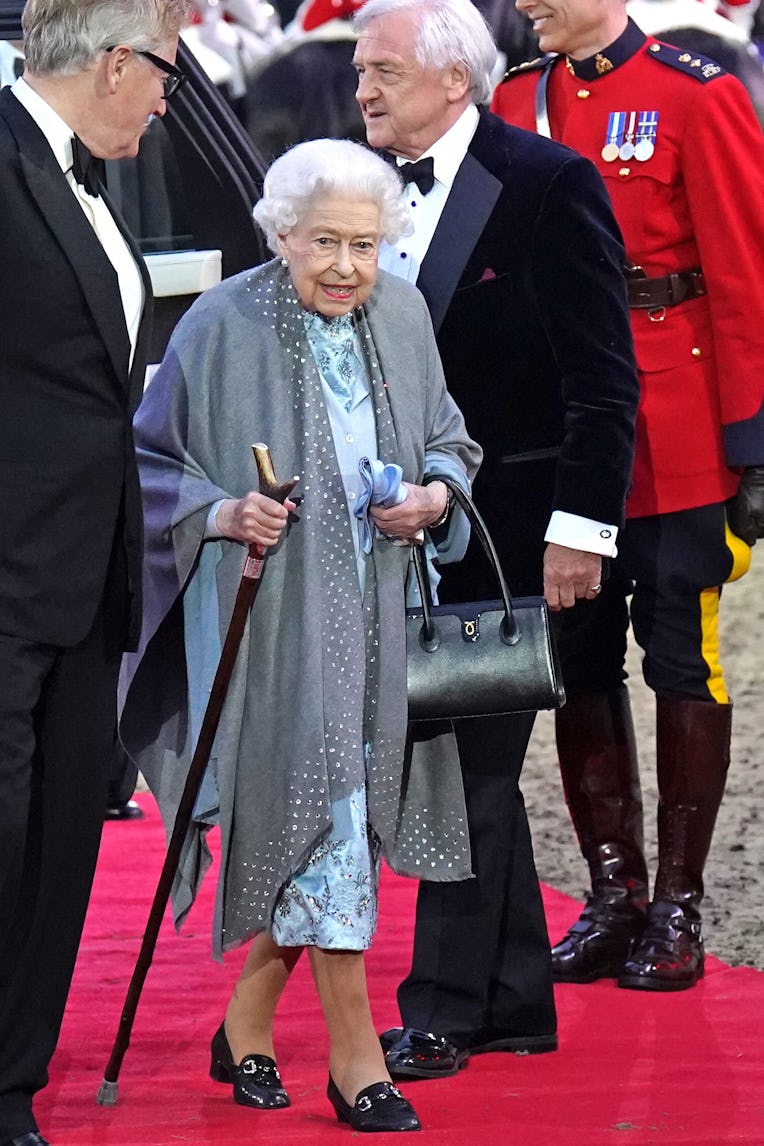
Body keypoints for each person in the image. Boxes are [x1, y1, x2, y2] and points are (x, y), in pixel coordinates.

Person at [118, 137, 482, 1133]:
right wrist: (225, 511)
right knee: (322, 814)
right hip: (270, 622)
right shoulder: (219, 323)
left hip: (379, 619)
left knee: (342, 818)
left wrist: (433, 495)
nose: (344, 268)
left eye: (364, 246)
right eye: (323, 242)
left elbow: (449, 433)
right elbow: (146, 464)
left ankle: (244, 1027)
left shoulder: (401, 313)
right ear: (279, 236)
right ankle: (356, 1060)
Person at [351, 0, 638, 1079]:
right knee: (462, 761)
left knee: (457, 768)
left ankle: (440, 1009)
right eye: (358, 70)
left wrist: (580, 533)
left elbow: (602, 383)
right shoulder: (355, 189)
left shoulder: (549, 182)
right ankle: (513, 998)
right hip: (397, 538)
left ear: (453, 81)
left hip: (517, 534)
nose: (363, 90)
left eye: (381, 70)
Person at [492, 0, 764, 990]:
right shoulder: (515, 98)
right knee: (576, 654)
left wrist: (752, 438)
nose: (524, 4)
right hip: (557, 431)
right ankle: (613, 900)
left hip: (674, 419)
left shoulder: (696, 96)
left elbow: (744, 269)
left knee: (681, 657)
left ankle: (679, 909)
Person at [0, 1, 190, 1143]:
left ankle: (11, 1080)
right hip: (8, 571)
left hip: (85, 575)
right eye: (164, 74)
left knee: (63, 830)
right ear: (114, 63)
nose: (170, 100)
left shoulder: (93, 181)